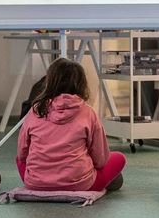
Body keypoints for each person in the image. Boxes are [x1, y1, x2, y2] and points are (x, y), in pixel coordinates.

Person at [17, 58, 126, 191]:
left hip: (36, 183)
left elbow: (22, 155)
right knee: (118, 158)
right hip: (80, 184)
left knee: (19, 159)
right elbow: (100, 160)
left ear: (49, 82)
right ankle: (107, 179)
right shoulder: (88, 112)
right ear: (81, 84)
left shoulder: (36, 110)